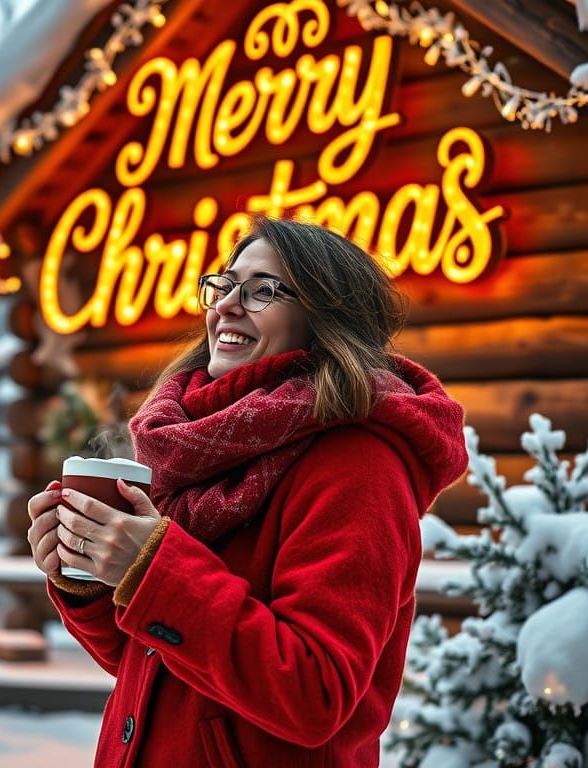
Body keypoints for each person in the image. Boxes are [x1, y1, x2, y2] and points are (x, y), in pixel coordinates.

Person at [26, 216, 468, 767]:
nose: (228, 305)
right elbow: (158, 663)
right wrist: (91, 583)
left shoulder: (359, 465)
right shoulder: (197, 448)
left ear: (325, 319)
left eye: (263, 291)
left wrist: (152, 570)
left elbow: (314, 691)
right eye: (226, 284)